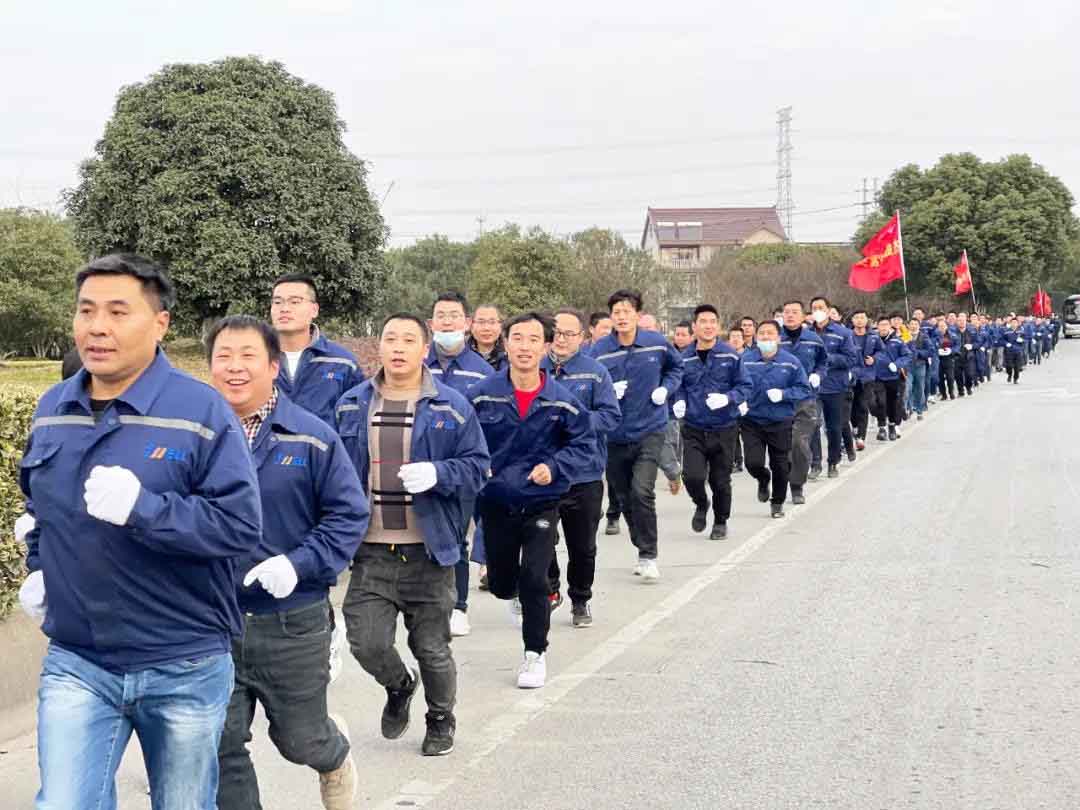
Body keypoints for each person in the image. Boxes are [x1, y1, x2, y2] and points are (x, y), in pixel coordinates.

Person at [18, 254, 262, 810]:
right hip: (79, 659)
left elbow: (239, 527)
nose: (97, 327)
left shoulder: (201, 411)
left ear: (160, 323)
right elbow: (42, 507)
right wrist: (38, 564)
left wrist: (144, 509)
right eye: (86, 311)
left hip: (183, 662)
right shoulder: (53, 408)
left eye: (117, 312)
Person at [208, 316, 367, 810]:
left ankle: (332, 751)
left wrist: (298, 565)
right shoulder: (195, 436)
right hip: (212, 621)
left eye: (248, 356)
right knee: (221, 747)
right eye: (223, 357)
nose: (235, 368)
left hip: (291, 622)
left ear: (274, 365)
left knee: (299, 740)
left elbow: (348, 515)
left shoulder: (312, 437)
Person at [337, 313, 489, 756]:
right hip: (371, 550)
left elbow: (478, 466)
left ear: (425, 349)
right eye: (390, 339)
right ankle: (399, 685)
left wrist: (440, 472)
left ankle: (441, 717)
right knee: (366, 641)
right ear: (378, 348)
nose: (398, 347)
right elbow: (333, 473)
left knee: (432, 647)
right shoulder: (351, 404)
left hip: (430, 550)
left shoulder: (452, 405)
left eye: (409, 340)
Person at [469, 312, 594, 688]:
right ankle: (513, 593)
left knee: (536, 577)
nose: (525, 347)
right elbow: (461, 437)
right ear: (506, 345)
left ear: (546, 346)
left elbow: (585, 445)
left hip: (542, 501)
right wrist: (478, 466)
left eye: (533, 339)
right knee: (504, 585)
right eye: (518, 339)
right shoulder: (482, 395)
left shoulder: (563, 400)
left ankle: (535, 654)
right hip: (496, 500)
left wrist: (554, 467)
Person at [592, 290, 684, 582]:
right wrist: (607, 392)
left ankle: (648, 554)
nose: (621, 317)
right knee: (624, 496)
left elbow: (676, 368)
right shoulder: (599, 351)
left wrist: (665, 389)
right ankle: (640, 544)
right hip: (615, 434)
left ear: (637, 315)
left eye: (626, 311)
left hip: (651, 428)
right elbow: (588, 383)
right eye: (616, 312)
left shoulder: (656, 344)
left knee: (642, 491)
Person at [542, 308, 621, 627]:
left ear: (583, 338)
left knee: (583, 546)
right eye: (556, 333)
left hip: (584, 473)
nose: (561, 339)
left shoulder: (596, 372)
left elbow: (611, 417)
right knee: (539, 539)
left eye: (569, 334)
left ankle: (580, 598)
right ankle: (550, 589)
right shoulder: (533, 368)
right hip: (543, 474)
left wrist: (577, 420)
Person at [425, 291, 494, 637]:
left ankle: (459, 605)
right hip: (420, 465)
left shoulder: (482, 372)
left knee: (456, 536)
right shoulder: (418, 365)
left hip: (464, 467)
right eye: (441, 315)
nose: (447, 321)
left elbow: (491, 420)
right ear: (431, 323)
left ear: (466, 324)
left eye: (454, 315)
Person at [673, 305, 754, 539]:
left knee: (720, 479)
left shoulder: (730, 355)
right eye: (703, 321)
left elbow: (745, 386)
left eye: (712, 321)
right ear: (695, 327)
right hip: (694, 427)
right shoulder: (683, 358)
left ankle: (720, 521)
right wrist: (678, 401)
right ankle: (701, 503)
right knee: (692, 476)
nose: (708, 326)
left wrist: (728, 398)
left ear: (717, 326)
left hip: (724, 427)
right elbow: (678, 386)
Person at [271, 273, 365, 429]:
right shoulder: (257, 359)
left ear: (314, 310)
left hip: (324, 452)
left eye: (295, 302)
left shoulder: (342, 363)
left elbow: (354, 425)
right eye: (277, 302)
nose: (284, 309)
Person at [739, 320, 812, 519]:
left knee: (780, 465)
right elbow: (734, 384)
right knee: (753, 462)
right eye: (762, 333)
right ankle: (763, 479)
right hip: (752, 419)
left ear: (778, 338)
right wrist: (739, 400)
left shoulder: (790, 361)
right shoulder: (745, 360)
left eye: (770, 334)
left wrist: (784, 394)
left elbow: (804, 389)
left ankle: (777, 502)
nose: (766, 337)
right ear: (756, 337)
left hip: (780, 420)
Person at [778, 300, 827, 505]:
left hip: (805, 399)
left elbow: (823, 362)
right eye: (787, 312)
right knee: (781, 447)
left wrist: (818, 374)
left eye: (794, 312)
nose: (790, 315)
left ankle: (797, 486)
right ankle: (772, 483)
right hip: (778, 400)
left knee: (799, 443)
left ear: (802, 316)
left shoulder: (813, 339)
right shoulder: (774, 338)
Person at [808, 296, 858, 478]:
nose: (818, 311)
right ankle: (815, 463)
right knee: (812, 424)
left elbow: (851, 359)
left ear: (829, 310)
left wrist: (828, 358)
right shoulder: (807, 334)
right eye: (814, 308)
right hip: (813, 387)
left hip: (835, 386)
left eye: (821, 307)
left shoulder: (842, 333)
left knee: (834, 427)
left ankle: (833, 462)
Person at [872, 316, 912, 440]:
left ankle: (892, 425)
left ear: (890, 326)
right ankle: (881, 427)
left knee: (893, 403)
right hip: (877, 377)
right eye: (881, 325)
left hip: (893, 377)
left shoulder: (897, 341)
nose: (883, 327)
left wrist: (897, 364)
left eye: (886, 325)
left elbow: (907, 356)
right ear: (877, 326)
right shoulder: (872, 340)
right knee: (879, 402)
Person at [849, 310, 884, 451]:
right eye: (856, 317)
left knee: (863, 406)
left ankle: (861, 438)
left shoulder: (873, 336)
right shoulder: (847, 336)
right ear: (852, 320)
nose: (859, 320)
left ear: (866, 320)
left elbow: (882, 351)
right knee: (852, 407)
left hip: (867, 376)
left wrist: (874, 359)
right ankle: (855, 427)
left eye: (862, 317)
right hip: (851, 376)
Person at [727, 326, 747, 473]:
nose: (735, 339)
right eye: (732, 336)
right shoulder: (726, 356)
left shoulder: (750, 356)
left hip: (746, 400)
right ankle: (736, 460)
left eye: (738, 336)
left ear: (743, 339)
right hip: (730, 399)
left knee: (745, 432)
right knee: (733, 431)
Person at [905, 317, 933, 421]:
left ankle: (919, 410)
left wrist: (918, 353)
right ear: (908, 325)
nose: (913, 326)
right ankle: (908, 408)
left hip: (920, 365)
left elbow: (930, 351)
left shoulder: (924, 337)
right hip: (907, 366)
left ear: (919, 325)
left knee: (920, 388)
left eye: (915, 324)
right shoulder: (905, 336)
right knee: (907, 388)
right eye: (911, 324)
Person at [468, 303, 507, 371]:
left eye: (492, 322)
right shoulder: (461, 353)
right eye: (481, 322)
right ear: (471, 326)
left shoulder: (510, 355)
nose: (486, 328)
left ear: (501, 326)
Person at [936, 320, 959, 400]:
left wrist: (951, 350)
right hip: (938, 359)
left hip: (949, 358)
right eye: (940, 326)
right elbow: (931, 346)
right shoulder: (935, 336)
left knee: (950, 377)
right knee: (940, 378)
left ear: (946, 326)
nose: (942, 328)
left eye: (943, 326)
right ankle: (943, 394)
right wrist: (937, 351)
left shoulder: (952, 335)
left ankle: (951, 392)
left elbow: (957, 345)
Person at [1002, 317, 1026, 383]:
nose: (1014, 324)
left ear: (1018, 323)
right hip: (1009, 351)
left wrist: (1022, 340)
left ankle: (1016, 378)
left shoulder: (1021, 331)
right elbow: (1002, 340)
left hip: (1018, 351)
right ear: (1010, 323)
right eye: (1012, 322)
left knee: (1017, 366)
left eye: (1015, 322)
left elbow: (1025, 339)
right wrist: (1006, 343)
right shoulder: (1007, 331)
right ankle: (1009, 374)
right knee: (1009, 366)